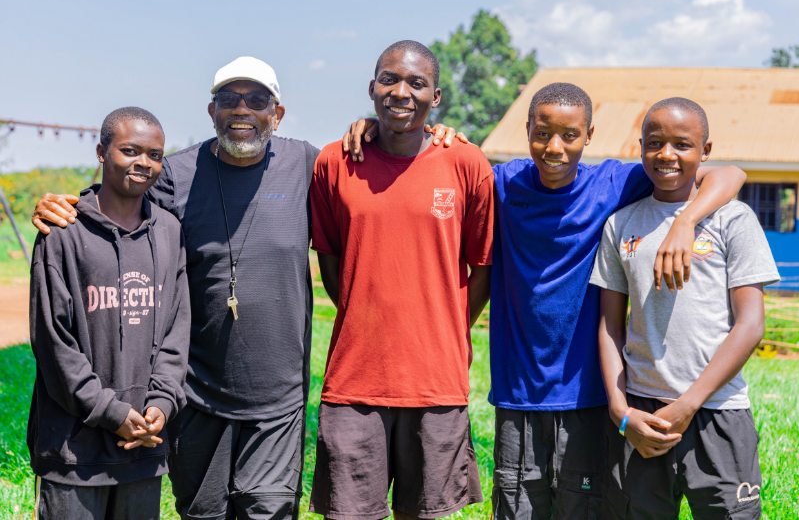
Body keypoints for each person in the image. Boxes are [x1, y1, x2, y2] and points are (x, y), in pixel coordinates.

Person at [30, 56, 464, 520]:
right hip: (196, 394)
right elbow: (123, 204)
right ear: (211, 110)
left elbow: (379, 167)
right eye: (229, 99)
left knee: (270, 512)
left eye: (257, 100)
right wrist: (70, 205)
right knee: (203, 514)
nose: (242, 110)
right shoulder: (176, 173)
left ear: (276, 114)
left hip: (278, 400)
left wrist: (404, 132)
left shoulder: (307, 163)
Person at [487, 83, 748, 519]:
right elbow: (447, 165)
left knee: (586, 505)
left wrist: (685, 221)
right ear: (527, 128)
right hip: (520, 392)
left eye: (569, 135)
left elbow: (730, 174)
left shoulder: (613, 182)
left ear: (589, 135)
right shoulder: (503, 181)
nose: (554, 147)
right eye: (542, 133)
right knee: (518, 506)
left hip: (590, 393)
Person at [309, 40, 493, 520]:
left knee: (425, 513)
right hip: (354, 380)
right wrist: (363, 307)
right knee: (349, 513)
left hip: (436, 382)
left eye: (417, 83)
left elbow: (483, 266)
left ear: (436, 98)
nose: (401, 91)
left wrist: (447, 322)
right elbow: (331, 262)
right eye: (390, 79)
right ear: (371, 88)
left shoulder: (466, 163)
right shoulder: (335, 162)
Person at [591, 98, 778, 520]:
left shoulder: (734, 220)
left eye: (682, 144)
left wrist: (690, 402)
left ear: (706, 151)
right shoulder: (621, 225)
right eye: (654, 143)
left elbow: (750, 325)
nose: (667, 155)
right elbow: (609, 325)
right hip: (642, 413)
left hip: (716, 412)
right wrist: (621, 412)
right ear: (640, 147)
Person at [28, 107, 190, 520]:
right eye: (130, 150)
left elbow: (176, 329)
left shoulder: (170, 232)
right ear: (101, 152)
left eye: (154, 155)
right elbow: (54, 343)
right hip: (74, 453)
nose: (144, 163)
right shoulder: (62, 233)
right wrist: (111, 413)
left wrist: (162, 404)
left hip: (144, 447)